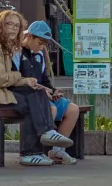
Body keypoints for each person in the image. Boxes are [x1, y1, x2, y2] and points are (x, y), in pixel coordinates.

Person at [0, 9, 73, 166]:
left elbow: (8, 78)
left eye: (16, 26)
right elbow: (1, 79)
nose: (13, 28)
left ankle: (45, 136)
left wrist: (27, 81)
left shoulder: (3, 46)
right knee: (30, 105)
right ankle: (31, 151)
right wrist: (20, 77)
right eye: (9, 24)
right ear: (0, 25)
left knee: (36, 93)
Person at [16, 20, 79, 164]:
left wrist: (53, 90)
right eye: (40, 42)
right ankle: (34, 151)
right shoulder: (17, 53)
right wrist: (41, 90)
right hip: (28, 96)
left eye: (45, 44)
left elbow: (44, 79)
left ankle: (57, 151)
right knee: (52, 109)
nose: (42, 47)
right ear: (29, 37)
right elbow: (16, 79)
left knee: (73, 109)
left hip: (44, 94)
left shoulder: (40, 56)